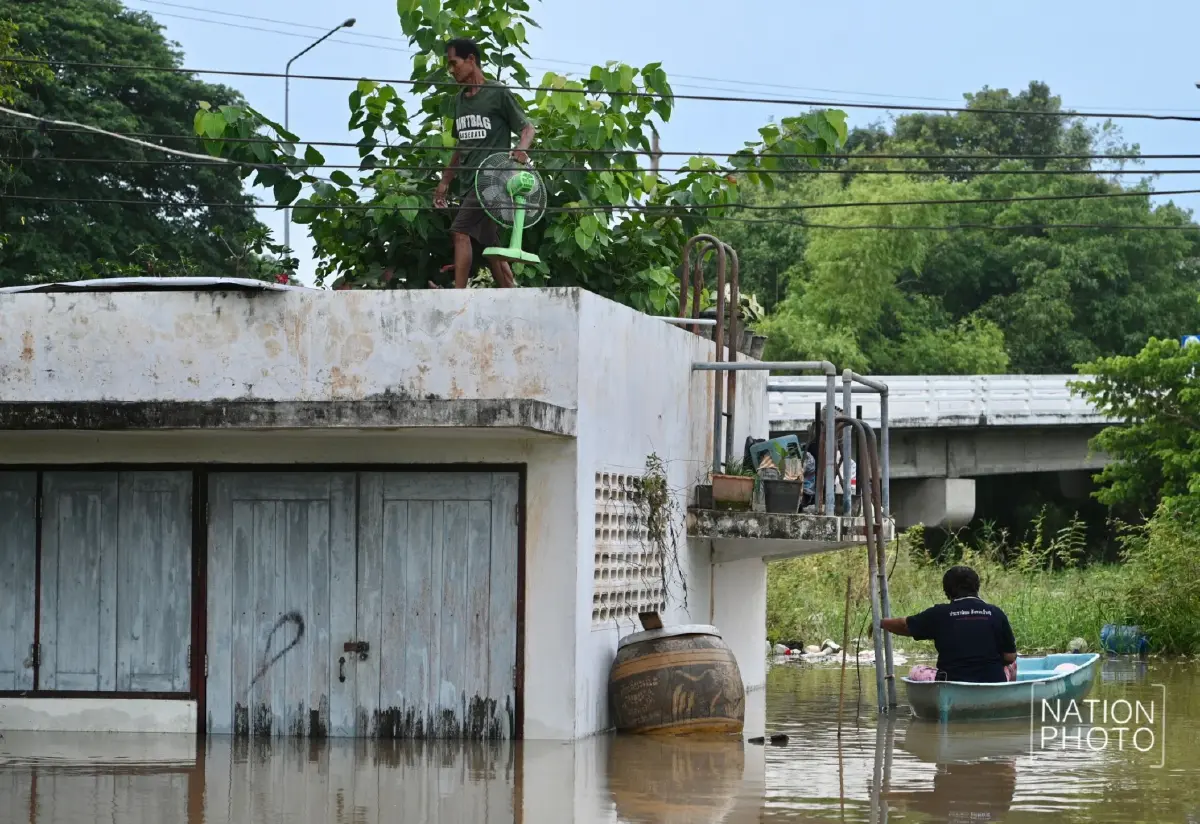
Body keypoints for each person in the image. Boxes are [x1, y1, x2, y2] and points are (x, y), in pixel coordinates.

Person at [432, 38, 537, 290]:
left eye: (454, 63)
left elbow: (527, 128)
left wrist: (521, 150)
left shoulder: (497, 93)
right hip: (470, 183)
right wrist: (445, 181)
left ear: (471, 60)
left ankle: (457, 296)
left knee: (460, 231)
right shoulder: (460, 101)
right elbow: (461, 146)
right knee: (493, 249)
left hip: (493, 178)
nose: (451, 70)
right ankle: (512, 296)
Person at [879, 565, 1017, 683]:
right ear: (977, 587)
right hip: (993, 681)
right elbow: (1010, 657)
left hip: (953, 683)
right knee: (1014, 663)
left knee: (916, 670)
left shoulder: (940, 614)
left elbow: (905, 626)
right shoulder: (996, 613)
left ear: (947, 591)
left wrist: (883, 622)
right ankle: (1005, 698)